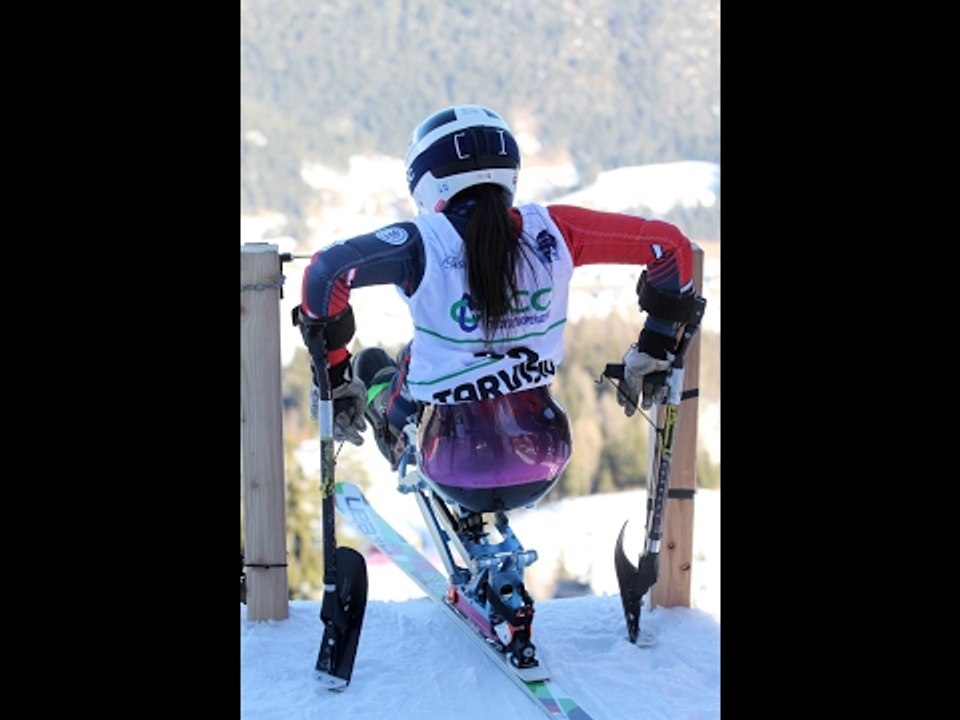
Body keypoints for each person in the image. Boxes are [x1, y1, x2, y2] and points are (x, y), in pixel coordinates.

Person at [296, 103, 700, 515]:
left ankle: (389, 423)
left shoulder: (422, 243)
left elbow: (327, 273)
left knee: (379, 364)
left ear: (425, 181)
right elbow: (669, 248)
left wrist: (333, 375)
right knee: (411, 360)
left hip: (447, 460)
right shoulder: (555, 231)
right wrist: (656, 346)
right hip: (544, 454)